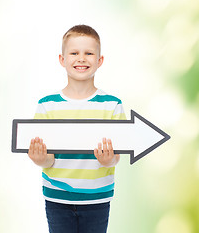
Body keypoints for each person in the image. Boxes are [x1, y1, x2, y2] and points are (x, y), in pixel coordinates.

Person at [27, 24, 126, 233]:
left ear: (99, 61)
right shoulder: (47, 105)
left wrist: (110, 159)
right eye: (74, 53)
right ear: (62, 60)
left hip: (97, 198)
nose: (81, 58)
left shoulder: (112, 104)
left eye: (89, 53)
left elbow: (117, 155)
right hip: (57, 197)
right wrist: (39, 159)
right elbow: (48, 158)